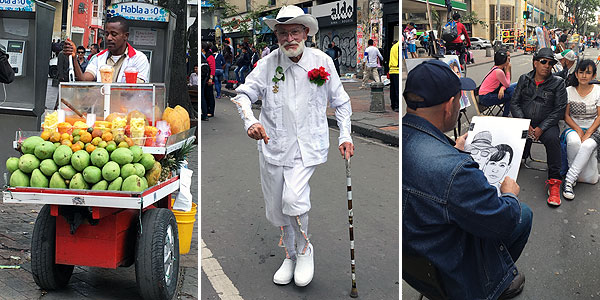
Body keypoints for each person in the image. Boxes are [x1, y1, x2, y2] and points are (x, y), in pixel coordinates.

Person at [231, 5, 354, 288]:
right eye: (283, 33)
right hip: (273, 146)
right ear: (276, 36)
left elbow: (341, 102)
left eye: (295, 31)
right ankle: (290, 252)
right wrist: (249, 121)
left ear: (306, 33)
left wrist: (345, 135)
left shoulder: (322, 61)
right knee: (276, 208)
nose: (289, 38)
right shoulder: (267, 64)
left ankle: (304, 249)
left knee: (293, 200)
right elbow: (242, 96)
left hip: (307, 147)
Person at [403, 59, 532, 300]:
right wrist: (509, 195)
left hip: (413, 264)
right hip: (448, 273)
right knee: (522, 214)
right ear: (450, 106)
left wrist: (452, 148)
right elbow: (503, 220)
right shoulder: (457, 169)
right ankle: (491, 284)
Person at [511, 47, 567, 206]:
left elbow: (559, 109)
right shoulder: (524, 79)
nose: (547, 65)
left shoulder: (558, 83)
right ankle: (510, 167)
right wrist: (524, 122)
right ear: (535, 63)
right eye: (543, 62)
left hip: (547, 125)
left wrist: (541, 128)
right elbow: (514, 103)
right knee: (509, 136)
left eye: (551, 63)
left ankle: (555, 182)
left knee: (552, 140)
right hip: (525, 122)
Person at [63, 16, 149, 83]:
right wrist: (74, 58)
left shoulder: (139, 59)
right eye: (106, 34)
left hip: (127, 106)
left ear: (125, 36)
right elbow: (84, 80)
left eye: (114, 34)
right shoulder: (98, 58)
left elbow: (136, 90)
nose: (109, 38)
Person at [562, 59, 600, 199]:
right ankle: (574, 177)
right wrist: (578, 130)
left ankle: (569, 180)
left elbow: (599, 117)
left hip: (594, 129)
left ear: (593, 76)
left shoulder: (598, 91)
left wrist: (588, 132)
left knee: (587, 145)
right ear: (576, 74)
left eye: (588, 73)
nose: (584, 75)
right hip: (572, 126)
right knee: (574, 142)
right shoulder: (568, 91)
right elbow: (566, 116)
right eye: (581, 72)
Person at [478, 49, 516, 117]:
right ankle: (506, 116)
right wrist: (507, 71)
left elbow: (505, 84)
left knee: (512, 89)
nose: (509, 59)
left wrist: (502, 88)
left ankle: (512, 110)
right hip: (486, 97)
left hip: (487, 94)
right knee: (510, 96)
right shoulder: (499, 71)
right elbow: (507, 84)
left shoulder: (495, 68)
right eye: (507, 58)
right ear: (504, 60)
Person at [202, 42, 216, 118]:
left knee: (209, 95)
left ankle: (211, 111)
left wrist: (211, 78)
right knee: (205, 95)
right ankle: (206, 110)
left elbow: (212, 68)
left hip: (209, 79)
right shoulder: (205, 56)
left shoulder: (210, 57)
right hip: (205, 78)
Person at [389, 40, 399, 112]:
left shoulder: (394, 47)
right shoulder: (398, 46)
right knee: (397, 90)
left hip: (392, 70)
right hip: (397, 70)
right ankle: (396, 105)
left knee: (393, 89)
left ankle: (393, 105)